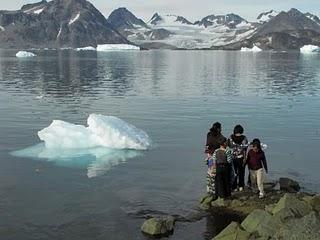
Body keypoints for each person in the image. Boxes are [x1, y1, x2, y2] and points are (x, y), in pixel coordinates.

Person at [205, 122, 225, 196]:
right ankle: (215, 191)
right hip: (216, 156)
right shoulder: (220, 136)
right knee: (215, 174)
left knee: (209, 173)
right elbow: (223, 143)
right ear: (218, 129)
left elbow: (207, 146)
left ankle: (209, 190)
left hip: (209, 156)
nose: (222, 129)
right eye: (221, 128)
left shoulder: (209, 134)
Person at [228, 125, 248, 192]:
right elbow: (245, 149)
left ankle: (234, 187)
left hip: (233, 158)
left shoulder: (230, 138)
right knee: (241, 172)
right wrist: (245, 158)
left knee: (234, 172)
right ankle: (241, 186)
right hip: (241, 158)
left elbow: (228, 147)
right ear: (241, 130)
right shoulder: (244, 138)